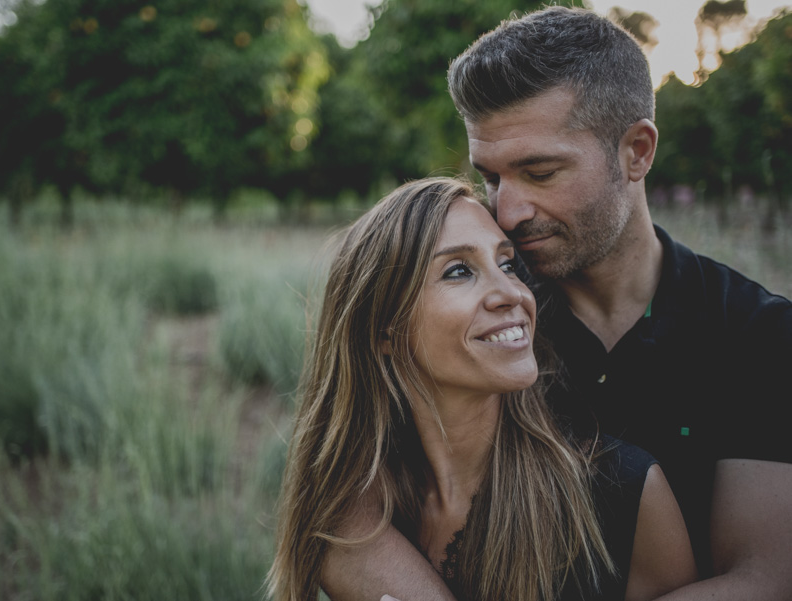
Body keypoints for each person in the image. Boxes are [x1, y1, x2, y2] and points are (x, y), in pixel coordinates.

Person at [322, 6, 792, 601]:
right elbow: (343, 491)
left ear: (637, 152)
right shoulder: (489, 321)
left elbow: (767, 579)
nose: (509, 211)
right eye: (490, 178)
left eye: (539, 172)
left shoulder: (758, 335)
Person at [268, 177, 696, 601]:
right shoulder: (355, 514)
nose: (511, 293)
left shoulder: (623, 492)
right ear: (386, 331)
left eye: (508, 265)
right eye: (459, 271)